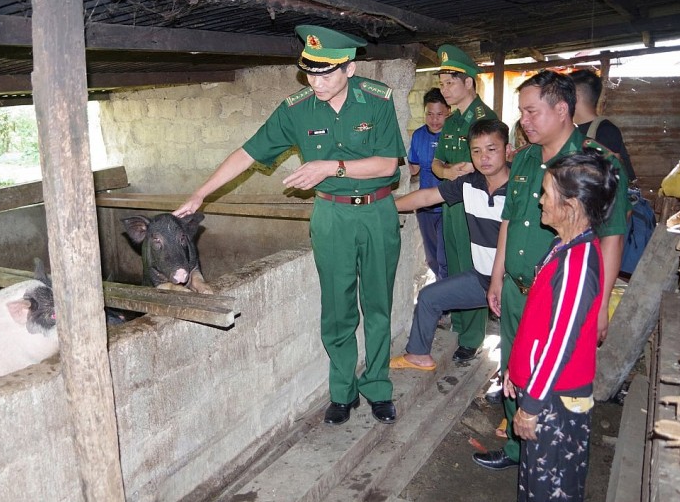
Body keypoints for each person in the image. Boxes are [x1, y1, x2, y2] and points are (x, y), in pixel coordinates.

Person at [173, 24, 406, 426]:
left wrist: (330, 166)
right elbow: (247, 153)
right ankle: (342, 391)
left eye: (326, 73)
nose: (316, 82)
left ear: (348, 69)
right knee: (337, 309)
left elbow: (387, 165)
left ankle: (378, 386)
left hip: (377, 212)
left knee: (378, 306)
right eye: (310, 73)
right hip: (331, 215)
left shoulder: (377, 101)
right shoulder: (295, 110)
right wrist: (201, 193)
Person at [475, 70, 630, 472]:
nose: (523, 121)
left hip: (559, 301)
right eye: (521, 112)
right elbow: (509, 221)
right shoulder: (524, 158)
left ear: (562, 110)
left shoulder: (596, 163)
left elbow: (611, 237)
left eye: (531, 112)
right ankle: (517, 448)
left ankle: (548, 459)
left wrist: (599, 308)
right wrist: (497, 278)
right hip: (515, 289)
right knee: (514, 369)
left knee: (553, 378)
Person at [506, 151, 619, 501]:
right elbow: (539, 324)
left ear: (570, 206)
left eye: (546, 193)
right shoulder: (563, 247)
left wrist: (532, 405)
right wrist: (516, 370)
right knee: (538, 482)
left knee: (550, 487)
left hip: (556, 399)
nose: (539, 200)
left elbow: (559, 343)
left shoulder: (577, 264)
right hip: (546, 390)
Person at [390, 119, 510, 371]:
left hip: (514, 285)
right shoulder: (469, 183)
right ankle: (418, 355)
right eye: (476, 151)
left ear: (507, 149)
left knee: (516, 343)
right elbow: (427, 196)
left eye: (492, 149)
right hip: (482, 280)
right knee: (429, 297)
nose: (483, 157)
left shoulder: (520, 188)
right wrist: (382, 207)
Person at [431, 45, 499, 362]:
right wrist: (448, 170)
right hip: (452, 203)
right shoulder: (453, 121)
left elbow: (493, 163)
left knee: (474, 269)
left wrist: (472, 168)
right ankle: (460, 323)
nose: (444, 90)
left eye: (449, 83)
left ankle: (472, 337)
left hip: (476, 205)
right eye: (442, 83)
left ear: (468, 81)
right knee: (456, 264)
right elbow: (436, 163)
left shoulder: (484, 119)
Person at [407, 88, 450, 281]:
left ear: (448, 111)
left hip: (447, 206)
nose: (434, 120)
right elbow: (413, 168)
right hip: (424, 207)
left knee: (444, 258)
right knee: (432, 258)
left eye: (439, 114)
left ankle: (445, 301)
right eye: (429, 114)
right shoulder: (418, 136)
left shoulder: (454, 137)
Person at [571, 69, 637, 182]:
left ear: (575, 97)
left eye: (563, 93)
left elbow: (601, 182)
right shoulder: (571, 129)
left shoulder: (605, 131)